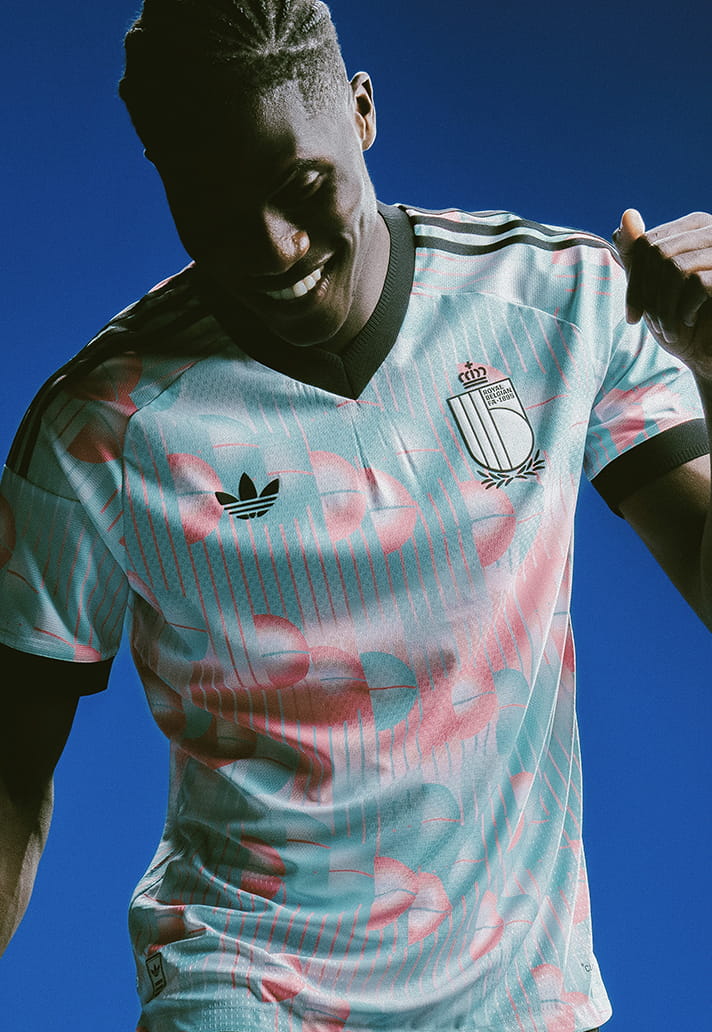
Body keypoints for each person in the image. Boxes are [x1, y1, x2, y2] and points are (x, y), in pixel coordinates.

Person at [1, 1, 710, 1030]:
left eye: (301, 187)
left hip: (523, 998)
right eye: (211, 201)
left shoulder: (563, 301)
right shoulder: (99, 427)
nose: (273, 246)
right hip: (244, 988)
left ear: (362, 111)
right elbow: (10, 774)